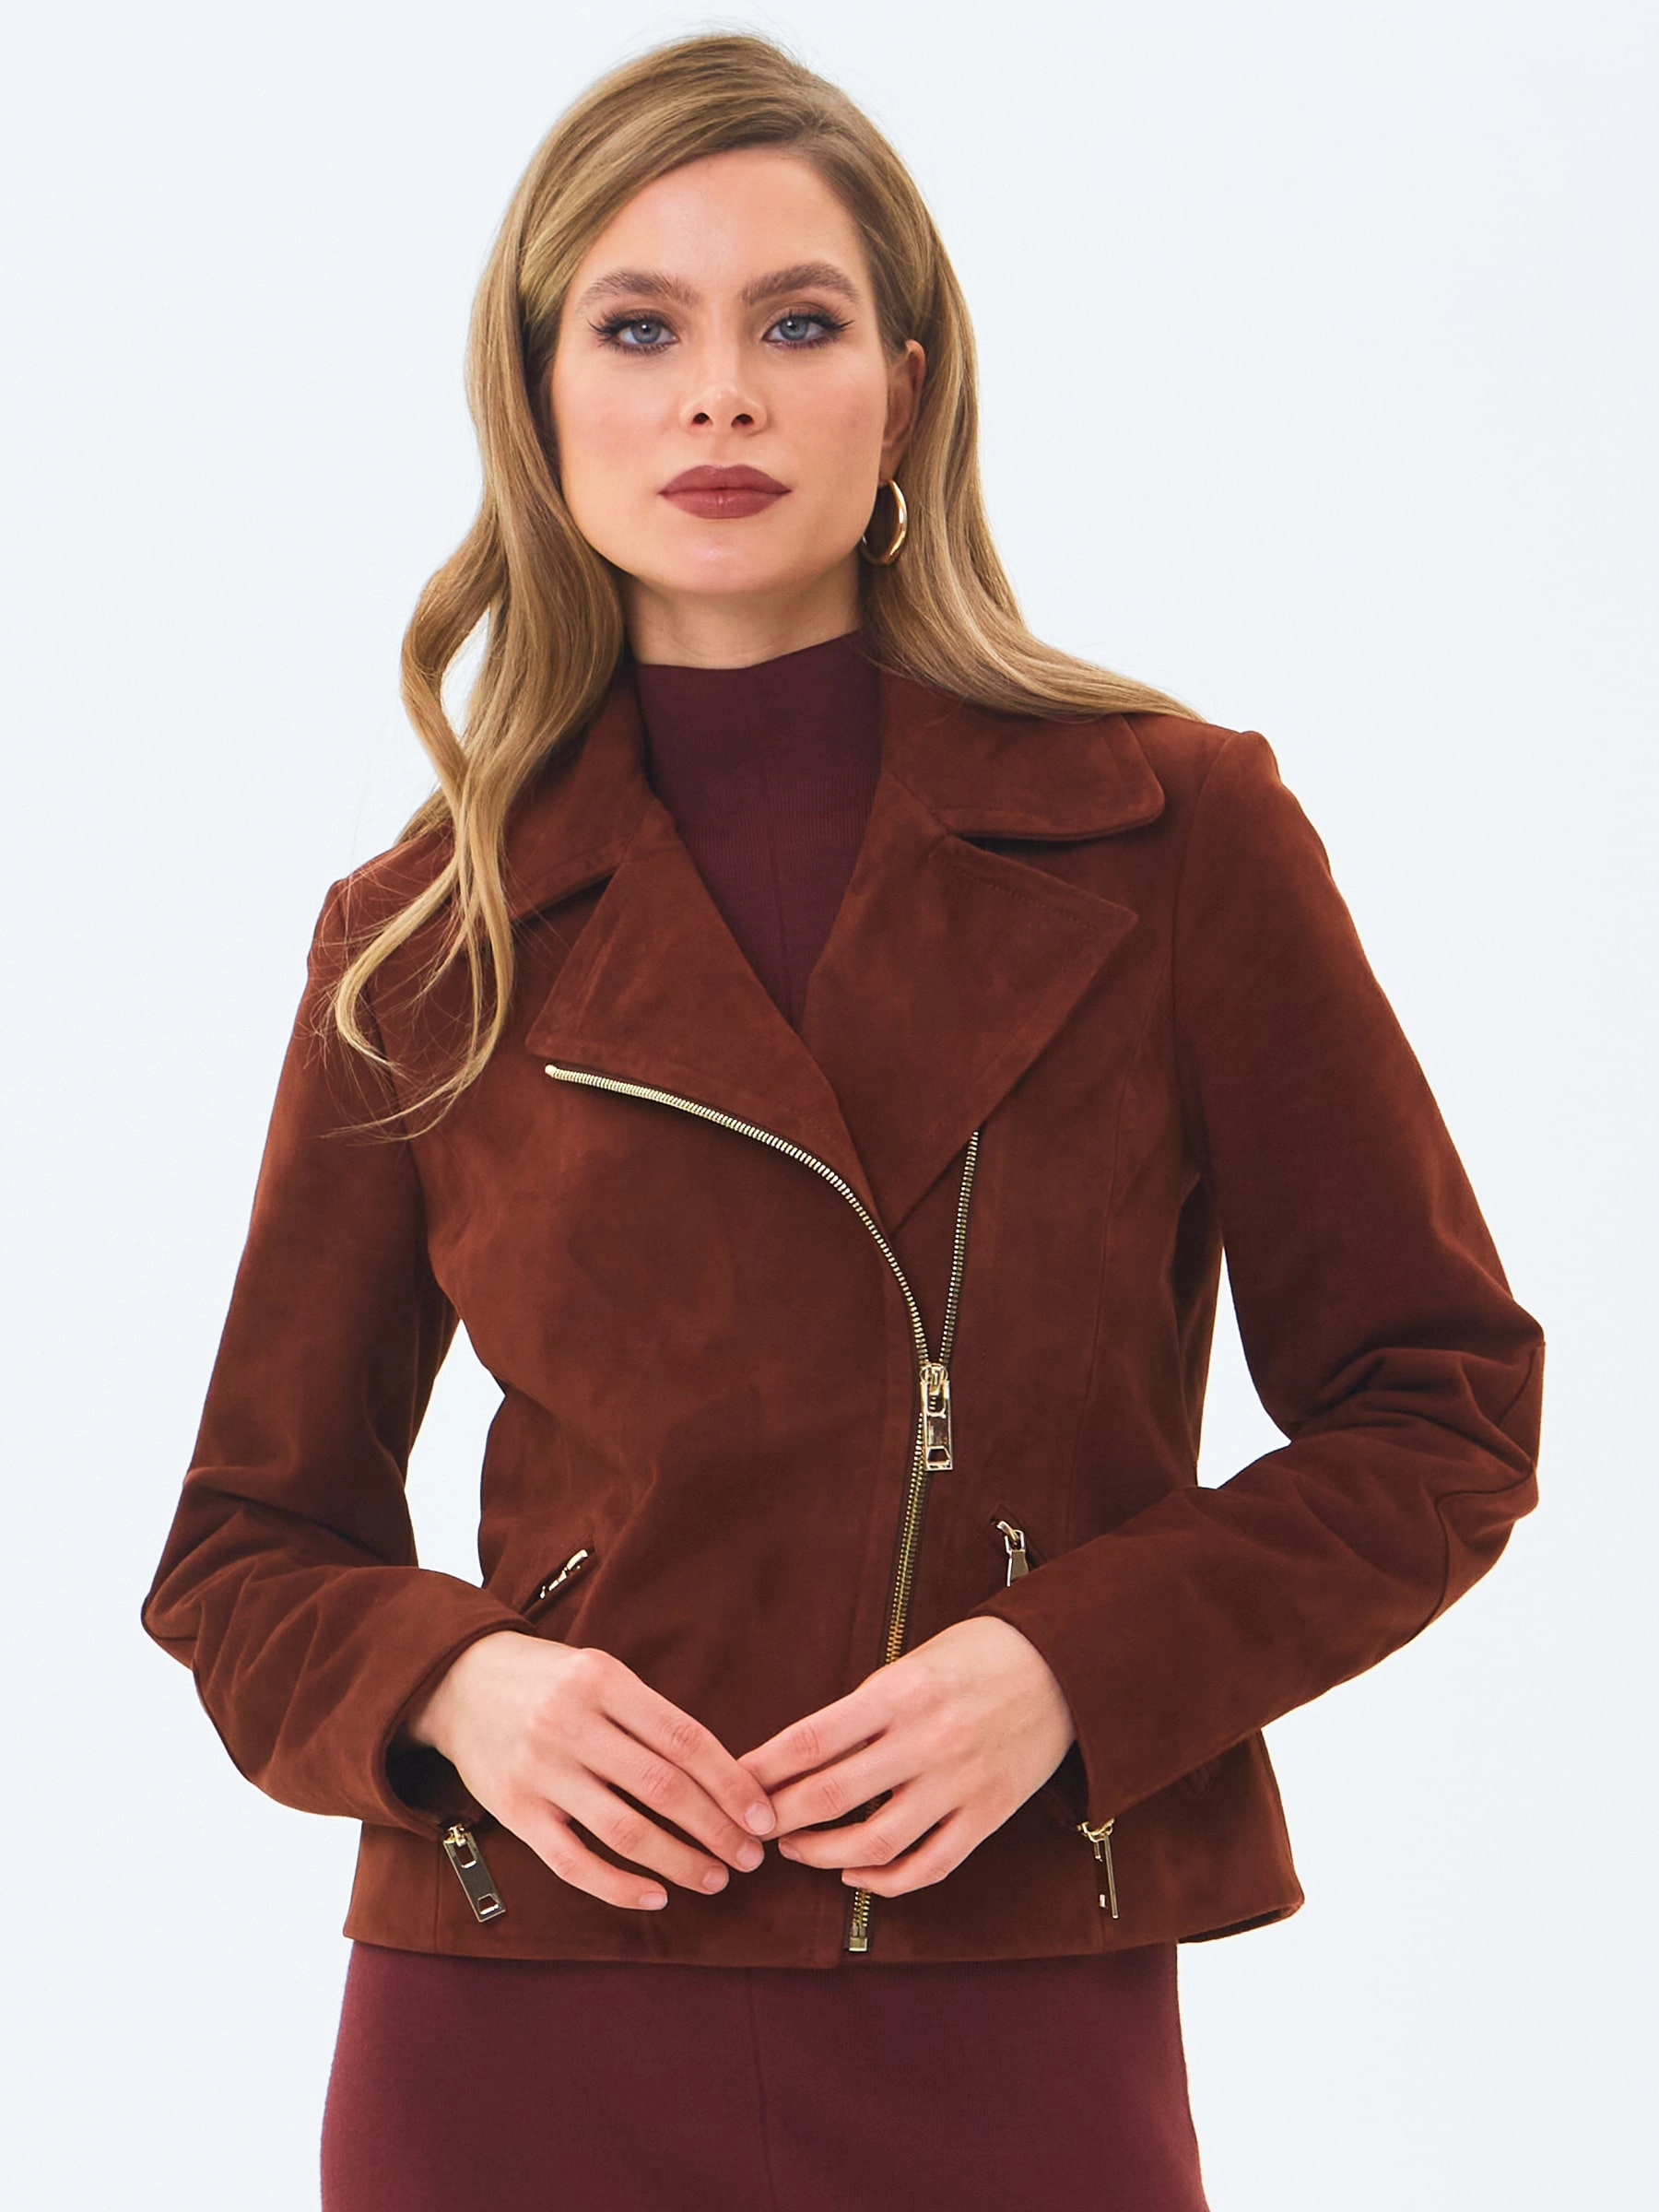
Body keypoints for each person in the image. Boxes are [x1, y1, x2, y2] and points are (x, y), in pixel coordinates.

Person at [141, 30, 1545, 2211]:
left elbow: (1441, 1411)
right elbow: (246, 1548)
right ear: (539, 397)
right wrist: (462, 1691)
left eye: (793, 325)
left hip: (1008, 1992)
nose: (720, 395)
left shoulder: (1175, 835)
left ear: (905, 385)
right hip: (515, 2021)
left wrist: (1070, 1663)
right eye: (641, 328)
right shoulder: (425, 931)